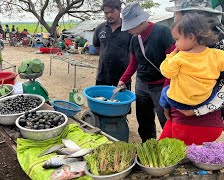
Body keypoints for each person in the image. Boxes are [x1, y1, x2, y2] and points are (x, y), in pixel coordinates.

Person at [159, 0, 224, 145]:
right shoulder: (183, 41)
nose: (175, 19)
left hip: (200, 119)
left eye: (177, 15)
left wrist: (196, 111)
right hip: (177, 110)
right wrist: (166, 104)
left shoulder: (218, 46)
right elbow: (172, 73)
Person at [118, 2, 175, 142]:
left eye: (130, 26)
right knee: (144, 118)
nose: (128, 30)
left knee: (165, 118)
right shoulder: (134, 40)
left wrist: (166, 89)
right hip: (142, 84)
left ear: (140, 21)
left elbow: (173, 62)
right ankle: (148, 144)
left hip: (161, 85)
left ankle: (169, 145)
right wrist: (123, 79)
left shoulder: (162, 32)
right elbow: (134, 63)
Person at [93, 0, 132, 86]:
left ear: (119, 11)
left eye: (112, 11)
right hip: (102, 76)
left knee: (120, 99)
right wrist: (106, 53)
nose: (109, 15)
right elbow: (96, 45)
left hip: (122, 77)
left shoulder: (129, 29)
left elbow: (134, 50)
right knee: (100, 98)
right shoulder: (100, 28)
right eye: (106, 13)